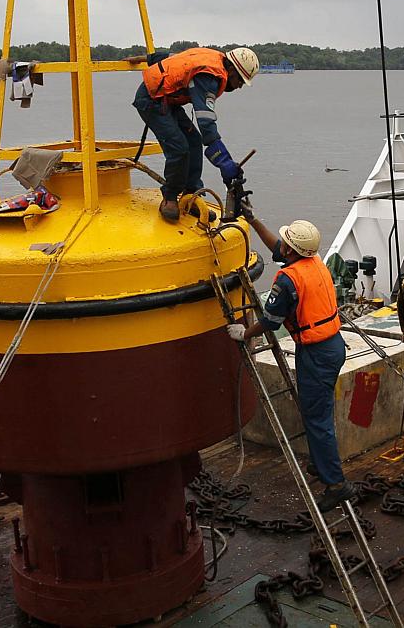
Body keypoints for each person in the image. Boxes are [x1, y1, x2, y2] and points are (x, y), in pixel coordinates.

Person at [226, 217, 355, 512]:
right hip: (332, 345)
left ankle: (336, 484)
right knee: (318, 413)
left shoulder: (288, 280)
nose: (280, 244)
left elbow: (270, 321)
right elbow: (277, 249)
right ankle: (322, 465)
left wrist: (244, 332)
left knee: (318, 420)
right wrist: (253, 220)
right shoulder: (314, 262)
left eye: (285, 242)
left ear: (292, 250)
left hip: (316, 354)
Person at [134, 46, 259, 221]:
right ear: (231, 69)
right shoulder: (208, 77)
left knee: (193, 140)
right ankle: (170, 197)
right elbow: (206, 123)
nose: (239, 86)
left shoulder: (212, 58)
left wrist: (147, 58)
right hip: (151, 100)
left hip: (167, 100)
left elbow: (175, 57)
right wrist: (224, 162)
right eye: (240, 80)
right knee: (179, 148)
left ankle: (191, 194)